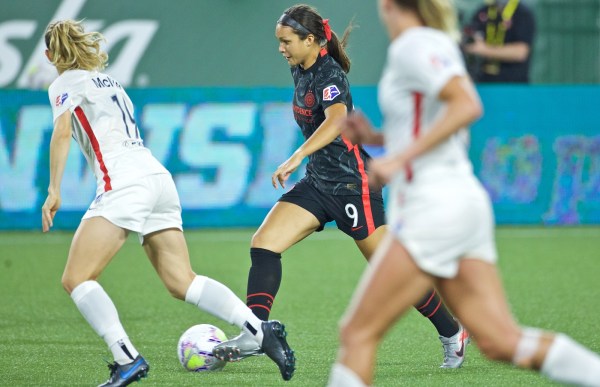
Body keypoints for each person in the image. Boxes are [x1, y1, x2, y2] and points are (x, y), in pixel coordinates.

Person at [326, 1, 600, 386]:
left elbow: (467, 105)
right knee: (501, 341)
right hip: (460, 204)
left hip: (433, 207)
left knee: (357, 333)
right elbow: (438, 120)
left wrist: (397, 158)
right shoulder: (432, 43)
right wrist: (375, 139)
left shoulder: (414, 46)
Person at [212, 4, 469, 369]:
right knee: (264, 244)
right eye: (279, 41)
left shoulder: (329, 75)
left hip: (352, 184)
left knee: (391, 272)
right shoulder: (299, 69)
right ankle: (256, 332)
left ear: (311, 40)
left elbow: (337, 119)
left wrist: (296, 155)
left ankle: (451, 332)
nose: (280, 48)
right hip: (319, 182)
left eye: (286, 41)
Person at [41, 20, 295, 386]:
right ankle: (259, 330)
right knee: (181, 281)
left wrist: (54, 189)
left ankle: (125, 358)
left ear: (50, 56)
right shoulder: (110, 82)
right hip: (157, 178)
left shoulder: (63, 83)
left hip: (124, 182)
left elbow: (62, 132)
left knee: (76, 278)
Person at [463, 0, 535, 83]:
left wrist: (485, 50)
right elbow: (471, 39)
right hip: (484, 82)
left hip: (513, 84)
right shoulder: (484, 11)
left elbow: (521, 52)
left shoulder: (522, 13)